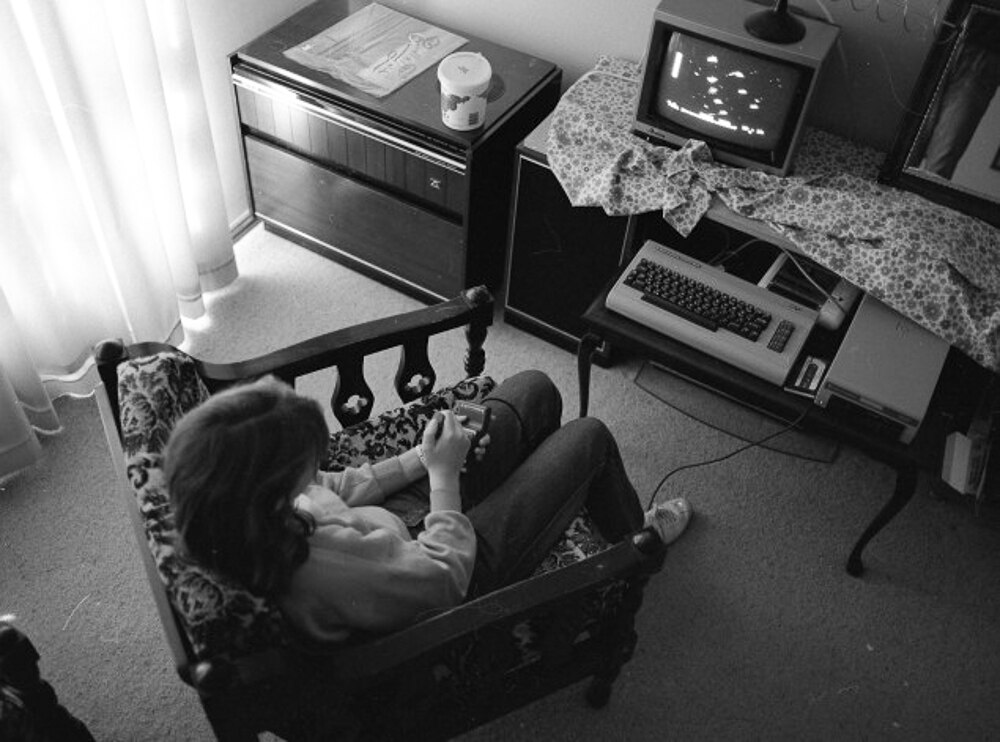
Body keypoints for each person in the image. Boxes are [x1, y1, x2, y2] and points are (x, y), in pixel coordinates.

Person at [163, 371, 692, 643]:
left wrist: (422, 458)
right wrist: (443, 479)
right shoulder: (319, 568)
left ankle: (542, 489)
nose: (317, 469)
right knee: (590, 437)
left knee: (534, 389)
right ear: (272, 491)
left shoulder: (239, 501)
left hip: (398, 523)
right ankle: (636, 542)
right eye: (306, 465)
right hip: (452, 569)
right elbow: (444, 578)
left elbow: (335, 486)